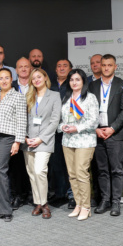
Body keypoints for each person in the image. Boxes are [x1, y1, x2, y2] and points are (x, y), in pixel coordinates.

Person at [88, 54, 123, 216]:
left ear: (115, 67)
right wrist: (96, 129)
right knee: (101, 170)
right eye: (104, 65)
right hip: (98, 132)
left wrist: (112, 128)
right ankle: (105, 200)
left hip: (115, 133)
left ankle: (115, 203)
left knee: (117, 170)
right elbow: (88, 110)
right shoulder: (92, 85)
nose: (106, 68)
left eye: (109, 65)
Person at [0, 68, 26, 222]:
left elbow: (22, 121)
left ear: (11, 79)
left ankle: (6, 210)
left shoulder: (18, 97)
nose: (4, 81)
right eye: (1, 78)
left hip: (8, 137)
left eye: (6, 78)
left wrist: (17, 141)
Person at [58, 69, 98, 221]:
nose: (74, 82)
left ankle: (86, 207)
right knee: (72, 175)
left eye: (77, 79)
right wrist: (62, 127)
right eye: (71, 80)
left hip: (85, 140)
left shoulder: (90, 98)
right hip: (68, 140)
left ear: (83, 81)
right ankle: (78, 204)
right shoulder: (66, 98)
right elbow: (60, 120)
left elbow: (94, 121)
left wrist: (77, 128)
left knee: (81, 173)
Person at [23, 68, 62, 219]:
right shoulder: (28, 95)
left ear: (45, 78)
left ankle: (44, 204)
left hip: (44, 140)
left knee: (40, 170)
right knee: (32, 173)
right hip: (28, 140)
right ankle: (38, 202)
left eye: (39, 77)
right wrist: (25, 137)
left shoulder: (54, 96)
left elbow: (55, 121)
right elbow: (24, 118)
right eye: (33, 78)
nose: (36, 80)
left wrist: (41, 138)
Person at [49, 58, 74, 208]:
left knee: (70, 164)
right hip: (53, 131)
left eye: (65, 66)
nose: (62, 68)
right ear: (56, 70)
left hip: (70, 130)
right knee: (56, 163)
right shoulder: (50, 86)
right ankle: (59, 194)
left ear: (70, 69)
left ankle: (72, 195)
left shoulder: (73, 85)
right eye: (59, 66)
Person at [9, 57, 33, 209]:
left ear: (31, 69)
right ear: (16, 70)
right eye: (20, 67)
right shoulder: (10, 86)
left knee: (33, 166)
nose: (23, 69)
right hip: (15, 133)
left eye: (26, 66)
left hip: (34, 132)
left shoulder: (36, 84)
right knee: (16, 167)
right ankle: (18, 195)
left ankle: (32, 195)